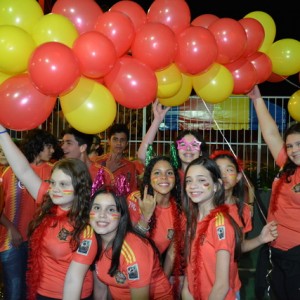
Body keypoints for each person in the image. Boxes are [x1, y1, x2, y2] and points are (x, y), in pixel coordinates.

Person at [0, 125, 97, 300]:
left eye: (63, 184)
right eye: (52, 183)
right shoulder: (49, 201)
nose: (55, 189)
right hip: (39, 292)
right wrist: (1, 132)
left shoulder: (86, 225)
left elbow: (74, 280)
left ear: (79, 188)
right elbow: (22, 170)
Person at [247, 85, 300, 300]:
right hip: (272, 251)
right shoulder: (286, 165)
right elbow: (270, 133)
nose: (293, 150)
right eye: (289, 146)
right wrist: (257, 100)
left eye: (299, 144)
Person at [210, 149, 278, 298]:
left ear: (238, 177)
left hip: (230, 286)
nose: (223, 175)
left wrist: (261, 239)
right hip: (200, 283)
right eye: (218, 170)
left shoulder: (244, 210)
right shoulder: (201, 206)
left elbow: (239, 247)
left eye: (229, 170)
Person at [0, 129, 58, 300]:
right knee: (15, 291)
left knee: (34, 290)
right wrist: (11, 228)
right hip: (13, 242)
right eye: (49, 146)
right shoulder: (10, 172)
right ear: (37, 146)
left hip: (42, 245)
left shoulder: (55, 171)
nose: (53, 150)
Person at [90, 187, 173, 300]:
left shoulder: (134, 249)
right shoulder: (91, 241)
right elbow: (100, 290)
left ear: (121, 216)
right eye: (97, 208)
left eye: (111, 210)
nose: (102, 215)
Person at [181, 157, 243, 299]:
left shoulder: (220, 224)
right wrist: (186, 290)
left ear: (216, 185)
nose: (193, 186)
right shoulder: (192, 220)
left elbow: (222, 286)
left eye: (202, 180)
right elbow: (191, 263)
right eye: (189, 180)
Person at [126, 156, 185, 296]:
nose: (163, 177)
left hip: (155, 274)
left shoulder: (179, 212)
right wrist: (145, 216)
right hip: (129, 274)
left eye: (169, 173)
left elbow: (172, 251)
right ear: (149, 178)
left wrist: (162, 278)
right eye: (157, 173)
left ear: (175, 179)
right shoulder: (135, 200)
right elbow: (129, 244)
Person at [137, 99, 207, 183]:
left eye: (194, 145)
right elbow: (143, 156)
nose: (188, 149)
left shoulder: (208, 173)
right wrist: (157, 120)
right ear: (176, 150)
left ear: (201, 151)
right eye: (183, 144)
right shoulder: (170, 172)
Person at [95, 123, 138, 193]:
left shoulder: (131, 166)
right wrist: (108, 170)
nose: (119, 143)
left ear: (127, 143)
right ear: (109, 141)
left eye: (122, 140)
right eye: (115, 139)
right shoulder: (97, 162)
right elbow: (93, 188)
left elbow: (133, 193)